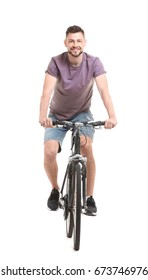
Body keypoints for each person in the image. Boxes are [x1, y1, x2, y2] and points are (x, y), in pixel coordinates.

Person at [39, 25, 117, 215]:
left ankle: (89, 197)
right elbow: (46, 92)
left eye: (79, 41)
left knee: (86, 147)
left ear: (84, 43)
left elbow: (104, 91)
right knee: (50, 151)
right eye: (71, 41)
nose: (75, 45)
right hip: (57, 116)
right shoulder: (56, 62)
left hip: (82, 114)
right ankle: (55, 190)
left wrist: (112, 116)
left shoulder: (94, 63)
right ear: (66, 43)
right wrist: (43, 116)